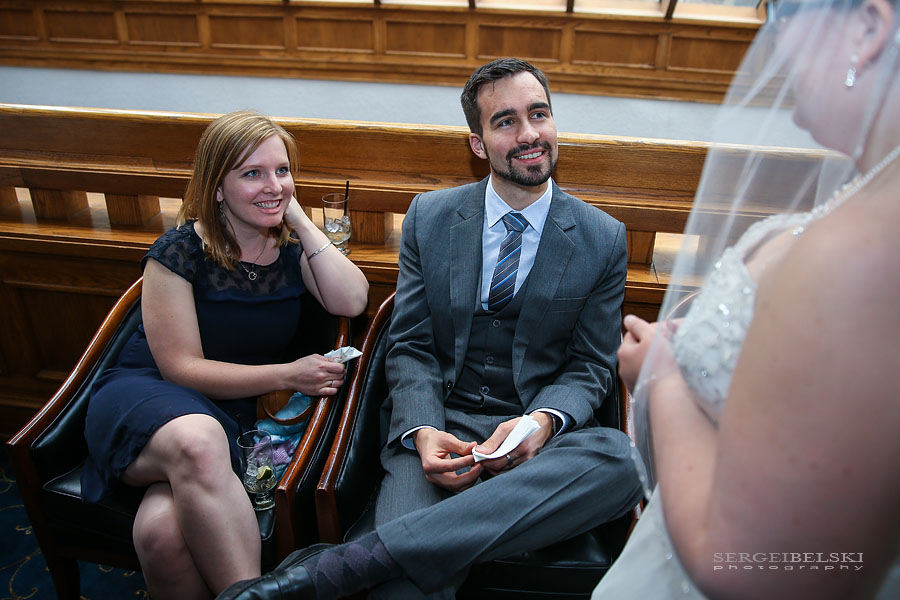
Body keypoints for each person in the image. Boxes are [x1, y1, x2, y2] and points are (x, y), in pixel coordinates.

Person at [218, 58, 643, 600]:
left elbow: (591, 365)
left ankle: (348, 562)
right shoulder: (430, 217)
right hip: (440, 426)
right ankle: (400, 550)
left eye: (539, 114)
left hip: (537, 446)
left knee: (619, 458)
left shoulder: (602, 237)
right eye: (506, 121)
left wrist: (540, 423)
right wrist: (422, 431)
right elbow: (411, 344)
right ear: (478, 144)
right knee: (405, 592)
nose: (529, 134)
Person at [592, 0, 900, 598]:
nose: (773, 46)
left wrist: (663, 377)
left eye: (783, 16)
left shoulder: (867, 248)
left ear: (868, 27)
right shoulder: (869, 197)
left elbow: (754, 567)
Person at [81, 110, 369, 599]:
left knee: (161, 534)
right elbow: (181, 368)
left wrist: (297, 216)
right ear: (217, 187)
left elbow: (354, 300)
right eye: (252, 173)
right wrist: (288, 375)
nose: (273, 185)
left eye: (282, 170)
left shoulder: (291, 250)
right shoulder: (178, 253)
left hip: (230, 412)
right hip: (150, 395)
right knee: (199, 440)